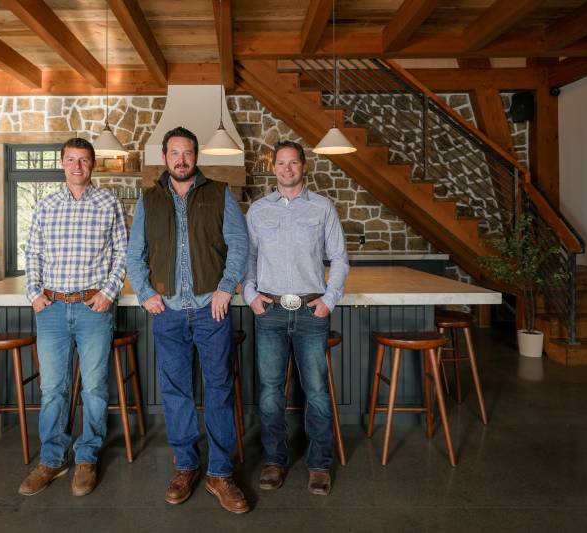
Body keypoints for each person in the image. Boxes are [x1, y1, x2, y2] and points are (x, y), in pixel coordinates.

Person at [126, 127, 250, 514]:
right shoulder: (148, 200)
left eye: (188, 153)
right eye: (175, 153)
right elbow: (134, 255)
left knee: (218, 389)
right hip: (168, 313)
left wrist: (227, 288)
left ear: (196, 157)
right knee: (176, 392)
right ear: (164, 157)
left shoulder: (219, 194)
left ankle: (219, 472)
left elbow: (239, 246)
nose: (181, 159)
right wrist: (146, 294)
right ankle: (185, 466)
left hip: (211, 310)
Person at [19, 137, 127, 497]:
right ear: (62, 163)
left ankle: (87, 457)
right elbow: (32, 253)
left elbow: (122, 254)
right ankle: (51, 459)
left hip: (92, 309)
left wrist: (107, 293)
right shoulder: (46, 205)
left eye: (83, 160)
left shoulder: (108, 203)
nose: (77, 166)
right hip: (50, 309)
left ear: (92, 165)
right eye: (71, 160)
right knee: (53, 389)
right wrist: (34, 293)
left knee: (95, 388)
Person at [243, 140, 349, 496]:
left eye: (293, 163)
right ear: (274, 168)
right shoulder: (258, 210)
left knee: (316, 392)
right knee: (271, 392)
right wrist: (251, 296)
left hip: (310, 310)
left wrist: (329, 301)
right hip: (269, 311)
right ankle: (274, 461)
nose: (287, 169)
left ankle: (319, 465)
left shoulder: (322, 208)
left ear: (304, 167)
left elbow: (340, 259)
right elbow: (247, 258)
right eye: (281, 163)